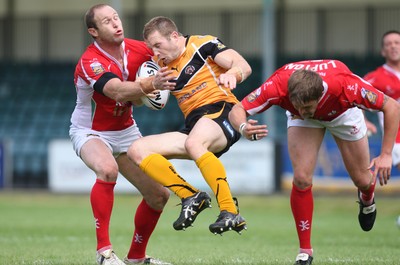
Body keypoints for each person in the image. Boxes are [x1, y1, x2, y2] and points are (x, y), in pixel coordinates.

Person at [228, 59, 400, 265]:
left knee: (363, 179)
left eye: (307, 106)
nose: (303, 110)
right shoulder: (278, 85)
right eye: (298, 105)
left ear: (320, 95)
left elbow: (392, 106)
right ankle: (305, 251)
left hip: (342, 114)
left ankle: (367, 198)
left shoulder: (345, 86)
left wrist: (386, 154)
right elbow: (236, 109)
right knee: (301, 178)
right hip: (304, 124)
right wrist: (243, 127)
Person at [127, 16, 252, 235]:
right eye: (152, 48)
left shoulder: (202, 44)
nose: (155, 52)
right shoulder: (161, 66)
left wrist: (233, 74)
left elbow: (242, 65)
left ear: (174, 36)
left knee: (195, 143)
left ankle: (230, 211)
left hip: (223, 111)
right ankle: (190, 196)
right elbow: (138, 100)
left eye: (158, 45)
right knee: (136, 150)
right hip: (196, 124)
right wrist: (145, 88)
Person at [70, 4, 172, 265]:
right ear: (94, 31)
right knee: (107, 169)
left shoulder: (139, 49)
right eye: (106, 21)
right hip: (90, 131)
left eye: (116, 17)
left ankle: (137, 257)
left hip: (125, 131)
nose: (116, 23)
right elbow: (115, 90)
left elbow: (172, 56)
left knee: (159, 195)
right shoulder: (90, 61)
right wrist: (151, 85)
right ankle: (103, 253)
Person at [364, 30, 400, 170]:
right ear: (383, 51)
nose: (393, 46)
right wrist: (364, 121)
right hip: (396, 139)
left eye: (397, 43)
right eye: (388, 44)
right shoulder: (375, 77)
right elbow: (353, 98)